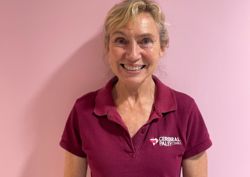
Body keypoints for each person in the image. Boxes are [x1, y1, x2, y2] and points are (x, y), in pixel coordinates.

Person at [60, 0, 212, 177]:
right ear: (107, 46)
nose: (133, 55)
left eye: (145, 40)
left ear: (162, 47)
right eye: (121, 40)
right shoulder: (83, 111)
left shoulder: (186, 111)